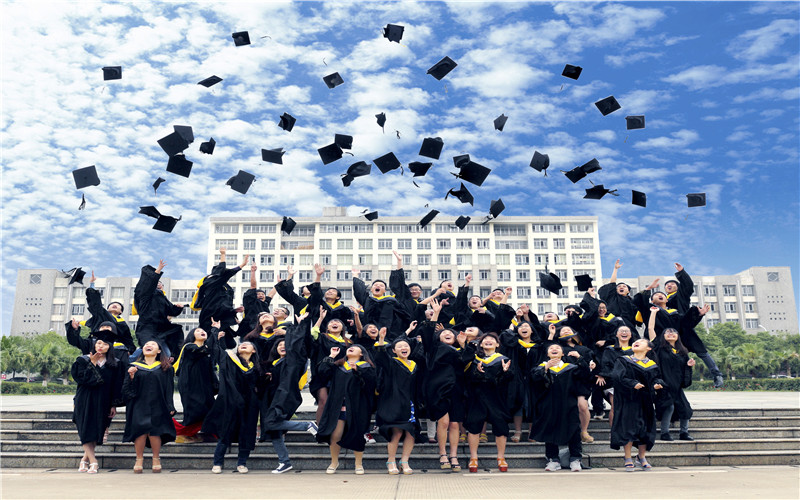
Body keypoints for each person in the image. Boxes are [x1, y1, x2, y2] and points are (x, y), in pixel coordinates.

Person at [260, 314, 319, 473]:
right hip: (272, 398)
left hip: (285, 396)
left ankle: (307, 425)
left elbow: (298, 347)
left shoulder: (293, 360)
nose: (282, 346)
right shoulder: (272, 364)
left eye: (284, 344)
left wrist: (299, 326)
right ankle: (284, 462)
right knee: (274, 432)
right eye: (279, 345)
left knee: (270, 423)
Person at [418, 299, 469, 471]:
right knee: (444, 422)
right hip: (437, 389)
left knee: (455, 424)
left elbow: (466, 362)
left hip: (456, 389)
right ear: (438, 336)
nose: (447, 333)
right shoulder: (432, 348)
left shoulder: (460, 349)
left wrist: (463, 345)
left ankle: (453, 455)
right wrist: (436, 313)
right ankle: (442, 454)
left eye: (451, 333)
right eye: (443, 332)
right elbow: (427, 331)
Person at [202, 329, 261, 474]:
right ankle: (217, 462)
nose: (243, 345)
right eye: (242, 344)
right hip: (231, 401)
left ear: (254, 351)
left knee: (247, 433)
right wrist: (215, 333)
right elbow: (216, 351)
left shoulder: (257, 368)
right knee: (226, 431)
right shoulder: (229, 359)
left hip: (249, 405)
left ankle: (242, 463)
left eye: (248, 344)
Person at [530, 342, 592, 472]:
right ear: (547, 354)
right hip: (548, 405)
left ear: (563, 353)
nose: (554, 349)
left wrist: (580, 358)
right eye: (551, 348)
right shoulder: (541, 367)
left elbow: (585, 374)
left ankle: (575, 459)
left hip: (568, 404)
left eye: (557, 348)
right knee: (550, 431)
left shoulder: (571, 367)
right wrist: (546, 367)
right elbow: (535, 379)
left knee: (574, 430)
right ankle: (553, 460)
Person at [316, 344, 377, 475]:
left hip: (357, 406)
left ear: (362, 354)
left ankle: (358, 464)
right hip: (339, 405)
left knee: (357, 434)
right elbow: (322, 372)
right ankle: (334, 462)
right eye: (350, 347)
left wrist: (358, 371)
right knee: (335, 434)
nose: (352, 347)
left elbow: (370, 384)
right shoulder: (338, 366)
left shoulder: (367, 367)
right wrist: (331, 356)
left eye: (355, 347)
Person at [71, 330, 124, 474]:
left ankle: (84, 459)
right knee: (85, 428)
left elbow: (116, 385)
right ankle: (94, 461)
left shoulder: (115, 364)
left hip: (104, 400)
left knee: (96, 430)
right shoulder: (83, 360)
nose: (100, 346)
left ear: (110, 347)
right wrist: (92, 364)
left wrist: (114, 404)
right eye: (98, 343)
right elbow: (80, 379)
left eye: (105, 344)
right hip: (85, 398)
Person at [664, 262, 724, 388]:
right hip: (670, 331)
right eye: (667, 285)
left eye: (672, 284)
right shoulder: (663, 301)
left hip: (685, 328)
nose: (669, 285)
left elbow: (688, 286)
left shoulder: (680, 295)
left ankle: (717, 374)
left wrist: (681, 273)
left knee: (701, 352)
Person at [609, 338, 665, 471]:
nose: (636, 342)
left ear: (649, 348)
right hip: (628, 400)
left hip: (645, 400)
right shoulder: (623, 360)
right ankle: (627, 457)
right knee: (629, 428)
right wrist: (632, 383)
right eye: (635, 341)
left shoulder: (652, 364)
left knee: (645, 429)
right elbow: (618, 377)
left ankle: (641, 457)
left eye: (641, 341)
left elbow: (657, 377)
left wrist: (658, 384)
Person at [122, 340, 176, 473]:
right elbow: (127, 390)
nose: (148, 346)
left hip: (158, 402)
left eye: (152, 344)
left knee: (155, 430)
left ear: (159, 351)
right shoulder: (134, 366)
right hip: (139, 403)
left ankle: (156, 458)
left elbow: (169, 389)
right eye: (146, 345)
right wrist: (131, 377)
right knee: (140, 430)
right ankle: (139, 459)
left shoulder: (166, 368)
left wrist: (170, 406)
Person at [463, 333, 513, 473]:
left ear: (498, 344)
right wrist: (477, 372)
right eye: (485, 339)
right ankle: (473, 458)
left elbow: (508, 380)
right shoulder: (473, 360)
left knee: (501, 426)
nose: (488, 341)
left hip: (496, 398)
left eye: (493, 340)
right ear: (481, 344)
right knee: (474, 426)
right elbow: (468, 379)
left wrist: (505, 372)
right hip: (477, 397)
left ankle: (501, 457)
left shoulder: (504, 360)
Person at [374, 328, 420, 475]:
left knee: (411, 433)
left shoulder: (414, 365)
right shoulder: (391, 363)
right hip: (394, 402)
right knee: (397, 432)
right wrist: (381, 340)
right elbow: (381, 357)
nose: (403, 348)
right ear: (393, 351)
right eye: (399, 347)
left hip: (410, 403)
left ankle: (404, 460)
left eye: (406, 346)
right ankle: (391, 460)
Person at [648, 309, 695, 441]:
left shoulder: (682, 352)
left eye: (674, 332)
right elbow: (651, 328)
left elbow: (685, 373)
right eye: (667, 332)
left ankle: (684, 433)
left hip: (677, 387)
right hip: (664, 384)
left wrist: (689, 366)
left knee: (685, 409)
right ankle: (665, 433)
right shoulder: (659, 347)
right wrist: (653, 312)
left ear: (678, 337)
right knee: (669, 407)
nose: (671, 333)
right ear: (662, 336)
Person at [191, 249, 248, 348]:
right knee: (210, 343)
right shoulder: (210, 281)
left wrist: (234, 311)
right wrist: (223, 255)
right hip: (210, 317)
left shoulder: (226, 288)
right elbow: (222, 272)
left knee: (230, 344)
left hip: (221, 318)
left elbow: (223, 305)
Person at [172, 325, 218, 443]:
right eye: (198, 331)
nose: (202, 331)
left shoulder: (207, 350)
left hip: (204, 386)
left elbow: (211, 368)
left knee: (210, 409)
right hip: (191, 385)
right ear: (192, 336)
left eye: (203, 330)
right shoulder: (189, 347)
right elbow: (201, 351)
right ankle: (182, 433)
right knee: (196, 410)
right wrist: (214, 332)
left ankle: (206, 434)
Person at [132, 259, 185, 359]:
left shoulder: (162, 298)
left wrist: (178, 308)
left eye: (161, 283)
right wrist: (158, 270)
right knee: (149, 349)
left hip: (162, 329)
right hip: (147, 327)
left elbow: (171, 310)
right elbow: (148, 285)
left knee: (167, 354)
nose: (159, 284)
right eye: (157, 282)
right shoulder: (144, 295)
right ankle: (132, 361)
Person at [309, 307, 349, 424]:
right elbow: (313, 333)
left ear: (343, 328)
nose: (334, 323)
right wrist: (321, 318)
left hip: (339, 375)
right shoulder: (322, 337)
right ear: (327, 327)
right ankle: (319, 428)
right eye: (331, 322)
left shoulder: (348, 342)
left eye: (337, 322)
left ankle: (334, 427)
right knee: (323, 400)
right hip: (322, 374)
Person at [82, 271, 136, 357]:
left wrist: (129, 350)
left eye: (118, 305)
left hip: (116, 353)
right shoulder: (101, 316)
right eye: (112, 305)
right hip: (98, 349)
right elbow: (95, 305)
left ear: (121, 312)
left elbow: (128, 340)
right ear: (107, 309)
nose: (115, 305)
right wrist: (92, 284)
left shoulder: (123, 324)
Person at [596, 325, 635, 427]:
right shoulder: (610, 350)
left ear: (631, 335)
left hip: (631, 382)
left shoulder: (635, 350)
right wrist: (602, 375)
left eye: (627, 331)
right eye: (621, 331)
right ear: (617, 334)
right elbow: (605, 364)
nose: (624, 332)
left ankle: (627, 431)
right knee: (615, 406)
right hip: (614, 381)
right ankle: (614, 433)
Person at [352, 269, 401, 339]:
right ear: (371, 289)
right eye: (375, 285)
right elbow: (359, 291)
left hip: (388, 335)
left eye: (381, 286)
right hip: (369, 334)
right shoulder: (367, 300)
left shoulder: (392, 301)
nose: (378, 286)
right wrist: (355, 275)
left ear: (384, 291)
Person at [598, 259, 640, 332]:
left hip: (629, 327)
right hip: (612, 325)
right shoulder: (612, 297)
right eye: (619, 286)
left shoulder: (632, 302)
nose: (621, 287)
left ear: (628, 291)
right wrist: (615, 269)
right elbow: (612, 283)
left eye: (624, 286)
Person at [240, 262, 276, 334]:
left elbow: (271, 294)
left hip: (262, 330)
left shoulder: (264, 304)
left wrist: (279, 284)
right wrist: (253, 272)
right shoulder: (251, 301)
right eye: (258, 294)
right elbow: (253, 286)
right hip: (248, 330)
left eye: (263, 294)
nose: (261, 295)